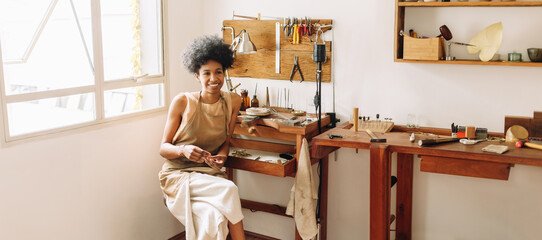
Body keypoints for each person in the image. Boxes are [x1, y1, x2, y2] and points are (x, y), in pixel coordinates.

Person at [159, 35, 245, 240]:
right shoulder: (182, 101)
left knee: (212, 217)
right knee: (230, 190)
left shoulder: (233, 101)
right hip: (177, 176)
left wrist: (221, 158)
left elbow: (226, 143)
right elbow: (163, 148)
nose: (214, 79)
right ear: (197, 76)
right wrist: (183, 150)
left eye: (218, 72)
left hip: (209, 176)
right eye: (206, 73)